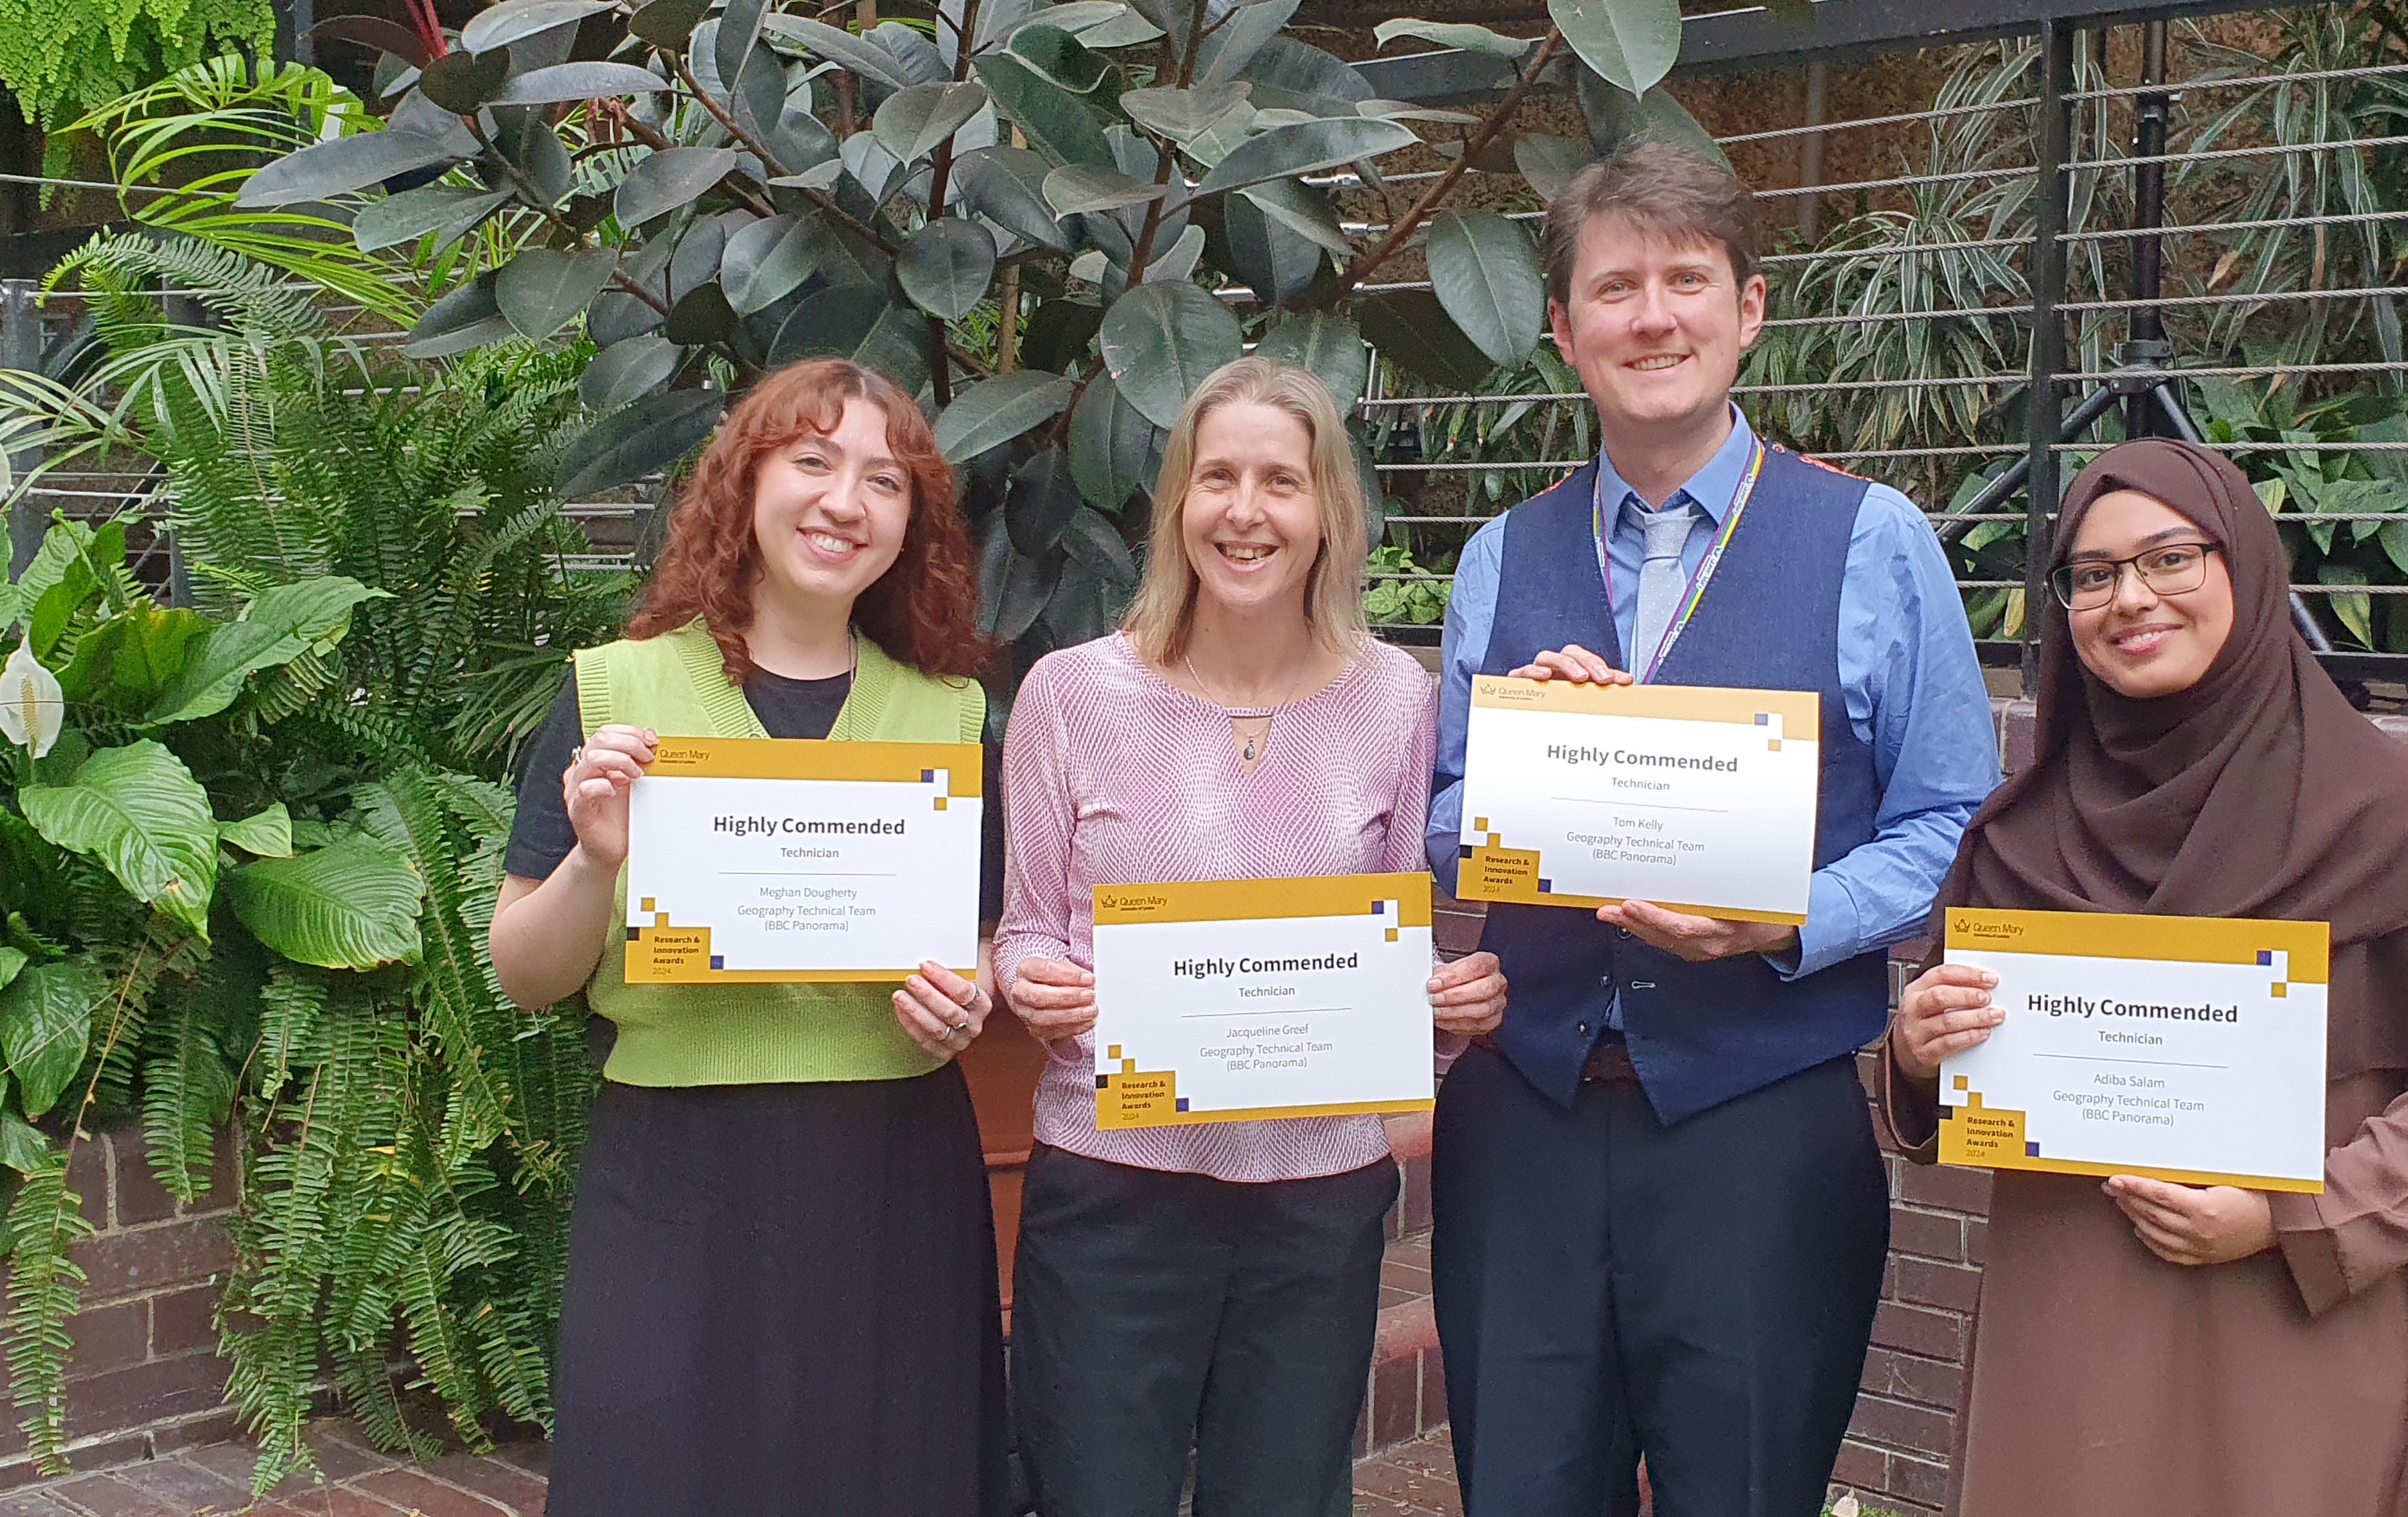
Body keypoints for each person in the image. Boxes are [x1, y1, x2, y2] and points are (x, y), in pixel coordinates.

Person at [1425, 141, 2003, 1516]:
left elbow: (1949, 820)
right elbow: (1444, 822)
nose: (1652, 317)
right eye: (1614, 287)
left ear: (1748, 310)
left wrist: (1792, 921)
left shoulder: (1874, 541)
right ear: (1564, 329)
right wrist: (1524, 762)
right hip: (1527, 1125)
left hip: (1761, 1125)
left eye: (1686, 280)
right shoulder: (1502, 555)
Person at [1882, 438, 2408, 1517]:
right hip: (2067, 1322)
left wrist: (2298, 1218)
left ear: (2245, 567)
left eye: (2170, 558)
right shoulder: (2022, 835)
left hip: (2289, 1319)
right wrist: (1920, 1048)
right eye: (2094, 574)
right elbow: (1952, 1085)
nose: (2130, 598)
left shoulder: (2382, 822)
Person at [489, 358, 1010, 1517]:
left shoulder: (947, 718)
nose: (845, 502)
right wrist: (595, 860)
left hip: (891, 1175)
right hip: (679, 1178)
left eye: (884, 481)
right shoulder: (616, 697)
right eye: (813, 462)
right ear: (746, 483)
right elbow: (523, 973)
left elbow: (973, 947)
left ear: (911, 525)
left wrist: (966, 1001)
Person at [994, 357, 1508, 1517]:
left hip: (1316, 1208)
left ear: (1329, 512)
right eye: (1217, 476)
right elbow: (1025, 927)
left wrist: (1443, 1003)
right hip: (1115, 1190)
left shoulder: (1395, 699)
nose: (1246, 511)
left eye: (1282, 480)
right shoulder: (1070, 695)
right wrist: (1033, 981)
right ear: (1177, 500)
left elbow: (1392, 933)